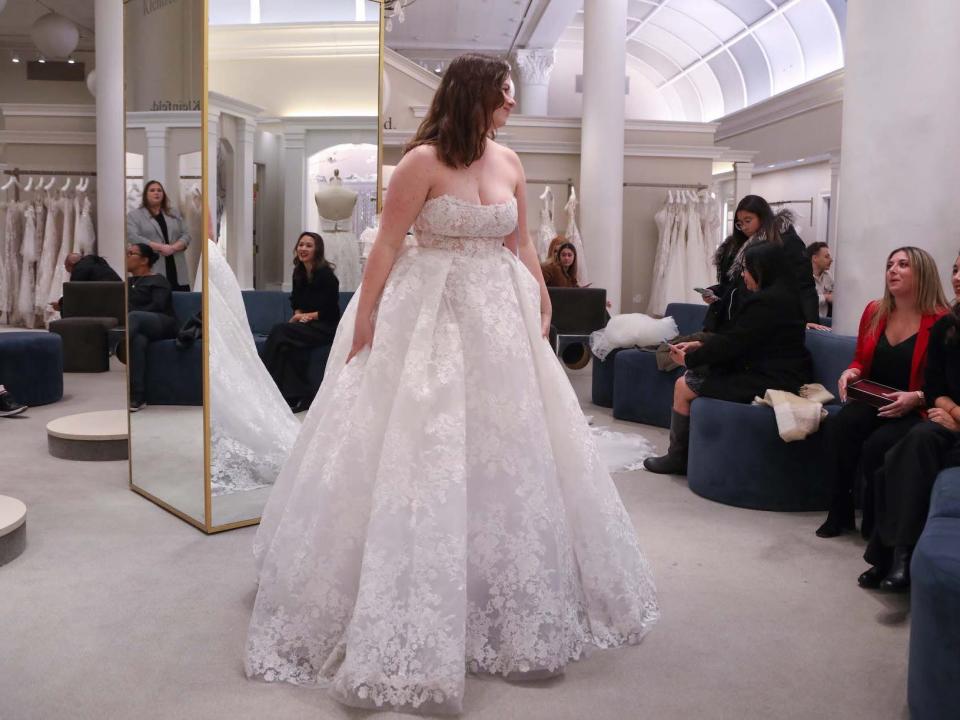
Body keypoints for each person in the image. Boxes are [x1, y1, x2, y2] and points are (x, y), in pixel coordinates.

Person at [245, 54, 658, 714]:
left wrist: (542, 301)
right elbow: (385, 244)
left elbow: (521, 243)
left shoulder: (511, 161)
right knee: (422, 441)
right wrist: (368, 316)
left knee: (508, 448)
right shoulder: (421, 162)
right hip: (429, 312)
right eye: (504, 94)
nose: (513, 105)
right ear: (474, 96)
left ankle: (499, 592)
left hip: (499, 315)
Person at [644, 241, 812, 475]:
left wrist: (690, 359)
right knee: (699, 373)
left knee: (684, 384)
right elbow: (743, 339)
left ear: (762, 269)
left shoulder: (765, 302)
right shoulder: (785, 296)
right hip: (775, 370)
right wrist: (700, 344)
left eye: (746, 269)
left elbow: (735, 343)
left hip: (773, 378)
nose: (743, 275)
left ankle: (677, 458)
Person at [816, 246, 949, 539]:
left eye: (903, 265)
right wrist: (849, 372)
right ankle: (840, 511)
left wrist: (916, 397)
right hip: (874, 399)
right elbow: (861, 360)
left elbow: (946, 382)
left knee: (879, 444)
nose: (892, 270)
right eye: (890, 264)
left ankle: (878, 526)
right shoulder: (875, 310)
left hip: (913, 406)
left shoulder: (941, 321)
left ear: (923, 274)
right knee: (838, 428)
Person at [858, 251, 960, 591]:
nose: (958, 277)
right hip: (944, 420)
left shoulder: (936, 319)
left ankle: (891, 557)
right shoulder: (949, 326)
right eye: (956, 269)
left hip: (949, 420)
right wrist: (951, 411)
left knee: (901, 447)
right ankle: (897, 556)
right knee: (908, 448)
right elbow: (935, 388)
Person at [703, 195, 819, 332]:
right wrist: (715, 291)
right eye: (740, 223)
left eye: (748, 221)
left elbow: (804, 285)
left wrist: (810, 320)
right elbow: (734, 285)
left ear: (762, 217)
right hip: (739, 319)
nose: (744, 227)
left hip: (773, 318)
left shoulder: (785, 242)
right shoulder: (736, 246)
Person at [261, 232, 340, 413]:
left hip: (326, 327)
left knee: (279, 331)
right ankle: (295, 396)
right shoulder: (299, 273)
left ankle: (262, 384)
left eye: (309, 246)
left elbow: (331, 312)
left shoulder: (326, 276)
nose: (303, 249)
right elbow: (296, 302)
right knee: (284, 346)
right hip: (308, 325)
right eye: (301, 245)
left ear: (317, 250)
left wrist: (303, 318)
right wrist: (299, 316)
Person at [125, 243, 177, 412]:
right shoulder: (128, 282)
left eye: (130, 253)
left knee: (133, 317)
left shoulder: (158, 280)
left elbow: (158, 306)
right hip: (137, 327)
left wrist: (134, 315)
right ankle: (138, 397)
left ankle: (117, 344)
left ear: (144, 260)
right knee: (138, 341)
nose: (126, 256)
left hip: (162, 322)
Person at [126, 180, 193, 291]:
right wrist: (161, 247)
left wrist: (172, 248)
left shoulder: (173, 213)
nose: (156, 193)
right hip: (153, 267)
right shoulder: (134, 216)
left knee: (180, 299)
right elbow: (133, 237)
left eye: (159, 190)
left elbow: (186, 235)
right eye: (152, 190)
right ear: (145, 195)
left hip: (177, 266)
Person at [51, 252, 122, 312]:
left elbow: (73, 294)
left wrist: (60, 304)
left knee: (67, 308)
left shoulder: (79, 269)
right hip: (119, 300)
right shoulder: (98, 262)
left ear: (70, 264)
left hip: (105, 303)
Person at [808, 241, 834, 318]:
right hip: (809, 322)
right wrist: (825, 297)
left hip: (824, 320)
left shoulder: (827, 277)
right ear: (815, 258)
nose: (831, 260)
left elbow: (834, 295)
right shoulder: (803, 278)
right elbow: (804, 300)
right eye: (827, 257)